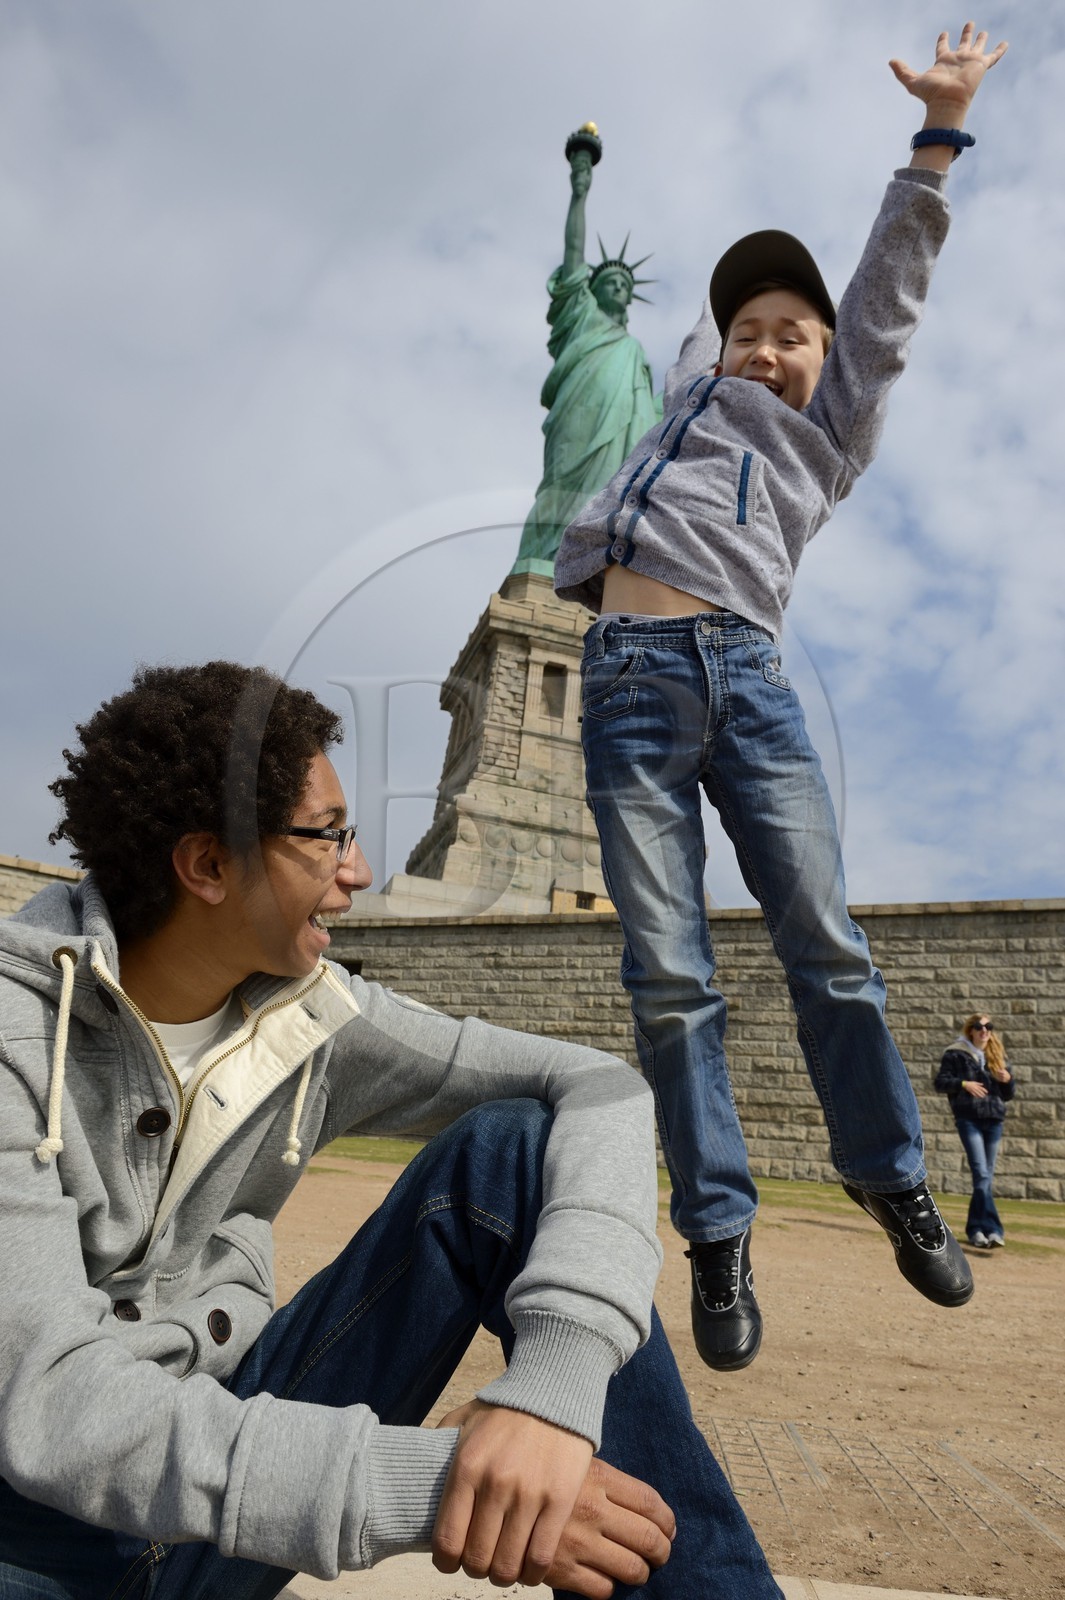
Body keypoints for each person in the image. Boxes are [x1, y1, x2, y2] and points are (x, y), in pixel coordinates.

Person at [0, 661, 784, 1600]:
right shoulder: (13, 1038)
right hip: (34, 1549)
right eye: (326, 840)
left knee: (509, 1150)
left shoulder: (313, 1020)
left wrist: (552, 1392)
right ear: (208, 865)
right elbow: (56, 1408)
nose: (359, 873)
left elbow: (601, 1086)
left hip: (217, 1504)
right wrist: (432, 1483)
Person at [554, 24, 1008, 1372]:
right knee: (667, 974)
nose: (761, 349)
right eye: (743, 332)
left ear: (829, 366)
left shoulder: (828, 423)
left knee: (823, 938)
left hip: (744, 681)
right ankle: (715, 1225)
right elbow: (706, 315)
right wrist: (717, 302)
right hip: (624, 687)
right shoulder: (684, 389)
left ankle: (886, 1171)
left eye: (788, 336)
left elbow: (883, 295)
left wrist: (933, 139)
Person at [509, 126, 660, 580]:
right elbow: (574, 251)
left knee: (610, 493)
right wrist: (580, 188)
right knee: (561, 485)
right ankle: (542, 565)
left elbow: (654, 417)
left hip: (622, 433)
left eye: (625, 284)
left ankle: (591, 569)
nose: (618, 285)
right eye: (609, 280)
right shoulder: (580, 316)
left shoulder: (635, 353)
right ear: (591, 289)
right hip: (578, 409)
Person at [935, 1014, 1015, 1248]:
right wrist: (963, 1084)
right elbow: (940, 1082)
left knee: (985, 1178)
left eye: (988, 1026)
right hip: (969, 1119)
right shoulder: (955, 1053)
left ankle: (977, 1230)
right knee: (981, 1173)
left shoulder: (997, 1055)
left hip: (994, 1120)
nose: (984, 1030)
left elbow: (1008, 1094)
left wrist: (1007, 1080)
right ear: (970, 1030)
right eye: (979, 1026)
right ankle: (993, 1229)